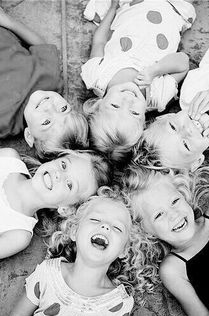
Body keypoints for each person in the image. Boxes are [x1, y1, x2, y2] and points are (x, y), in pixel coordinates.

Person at [7, 187, 158, 316]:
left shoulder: (117, 304)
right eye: (95, 220)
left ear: (123, 250)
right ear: (74, 231)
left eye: (117, 228)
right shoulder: (48, 272)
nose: (105, 227)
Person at [123, 165, 209, 316]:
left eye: (174, 201)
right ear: (145, 231)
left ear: (183, 194)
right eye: (158, 215)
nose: (173, 215)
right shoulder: (173, 269)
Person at [81, 0, 195, 163]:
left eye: (115, 106)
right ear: (144, 121)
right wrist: (156, 69)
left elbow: (99, 41)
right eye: (134, 113)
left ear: (97, 105)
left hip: (134, 5)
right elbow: (183, 63)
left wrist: (113, 8)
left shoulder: (97, 76)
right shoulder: (157, 95)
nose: (128, 100)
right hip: (173, 9)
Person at [134, 36, 209, 171]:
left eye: (173, 127)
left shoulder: (190, 93)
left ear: (166, 116)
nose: (187, 130)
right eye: (186, 145)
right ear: (197, 161)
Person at [0, 7, 88, 157]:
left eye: (46, 122)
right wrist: (8, 21)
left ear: (29, 135)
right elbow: (40, 45)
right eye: (63, 109)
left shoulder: (5, 123)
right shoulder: (51, 80)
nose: (49, 106)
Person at [0, 147, 111, 259]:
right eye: (64, 165)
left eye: (69, 185)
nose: (59, 175)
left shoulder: (18, 234)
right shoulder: (8, 158)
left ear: (66, 209)